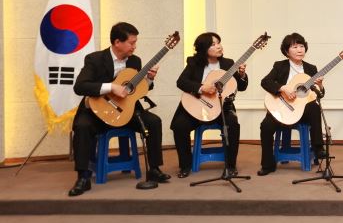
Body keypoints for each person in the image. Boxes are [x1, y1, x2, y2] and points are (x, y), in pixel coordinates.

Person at [68, 22, 170, 196]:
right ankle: (83, 177)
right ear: (117, 42)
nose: (134, 46)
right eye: (131, 42)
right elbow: (80, 86)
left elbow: (138, 89)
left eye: (135, 42)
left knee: (154, 122)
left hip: (126, 111)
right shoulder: (95, 59)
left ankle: (154, 168)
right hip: (97, 110)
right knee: (82, 126)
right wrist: (111, 87)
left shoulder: (135, 61)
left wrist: (149, 79)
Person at [170, 32, 248, 178]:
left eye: (219, 43)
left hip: (221, 107)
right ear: (203, 48)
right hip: (197, 105)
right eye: (213, 44)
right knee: (179, 125)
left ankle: (231, 166)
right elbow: (181, 82)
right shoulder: (194, 62)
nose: (219, 46)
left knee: (232, 124)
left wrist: (242, 75)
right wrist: (201, 87)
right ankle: (185, 165)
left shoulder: (228, 64)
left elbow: (242, 87)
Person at [257, 33, 326, 176]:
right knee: (266, 126)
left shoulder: (311, 68)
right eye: (295, 47)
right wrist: (282, 88)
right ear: (287, 51)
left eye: (301, 46)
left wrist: (320, 85)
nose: (300, 49)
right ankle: (268, 164)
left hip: (302, 111)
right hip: (282, 108)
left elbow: (319, 95)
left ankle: (318, 147)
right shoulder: (279, 66)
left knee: (314, 106)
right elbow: (265, 82)